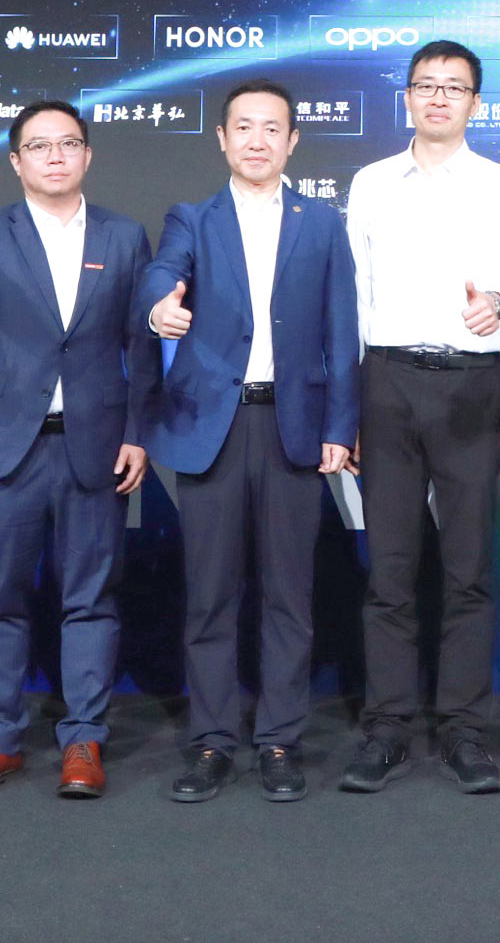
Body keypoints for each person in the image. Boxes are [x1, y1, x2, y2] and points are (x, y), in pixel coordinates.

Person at [137, 78, 360, 804]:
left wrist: (340, 426)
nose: (257, 140)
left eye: (272, 128)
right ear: (222, 138)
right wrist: (160, 308)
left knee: (290, 594)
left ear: (292, 140)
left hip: (294, 425)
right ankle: (211, 739)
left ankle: (279, 739)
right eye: (243, 127)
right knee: (209, 594)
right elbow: (162, 273)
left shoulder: (322, 222)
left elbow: (341, 329)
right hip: (213, 425)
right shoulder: (191, 218)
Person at [0, 102, 158, 802]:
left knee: (90, 598)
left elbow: (142, 343)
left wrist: (139, 431)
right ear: (16, 161)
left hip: (95, 444)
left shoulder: (124, 235)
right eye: (38, 145)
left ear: (87, 154)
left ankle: (83, 738)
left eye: (67, 143)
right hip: (4, 444)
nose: (54, 156)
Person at [339, 39, 500, 794]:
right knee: (388, 569)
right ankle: (386, 727)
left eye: (455, 87)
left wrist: (496, 302)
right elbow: (355, 293)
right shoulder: (371, 181)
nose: (439, 97)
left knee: (468, 567)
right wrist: (351, 400)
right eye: (427, 85)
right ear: (408, 96)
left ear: (476, 102)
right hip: (386, 381)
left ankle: (463, 729)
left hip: (470, 383)